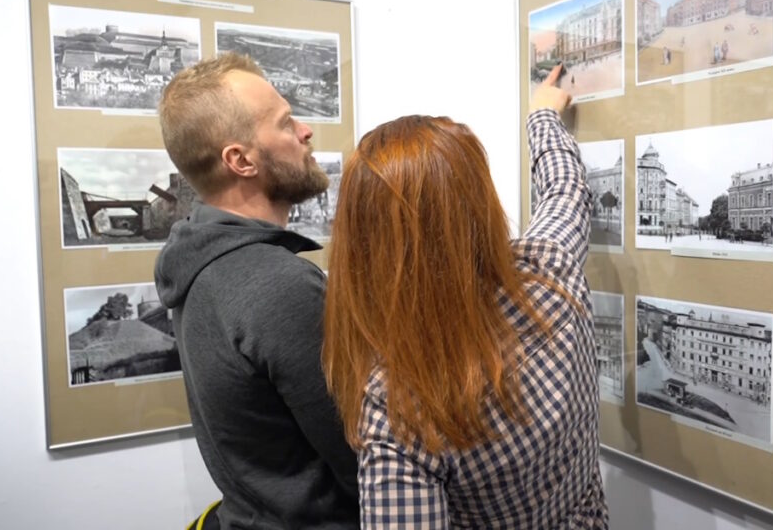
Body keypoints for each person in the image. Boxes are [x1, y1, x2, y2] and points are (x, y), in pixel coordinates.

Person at [322, 64, 609, 527]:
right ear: (480, 204)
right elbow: (565, 189)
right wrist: (542, 115)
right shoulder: (549, 271)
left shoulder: (401, 411)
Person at [154, 53, 358, 530]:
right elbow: (362, 458)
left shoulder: (200, 261)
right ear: (240, 160)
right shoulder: (277, 285)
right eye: (286, 123)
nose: (306, 131)